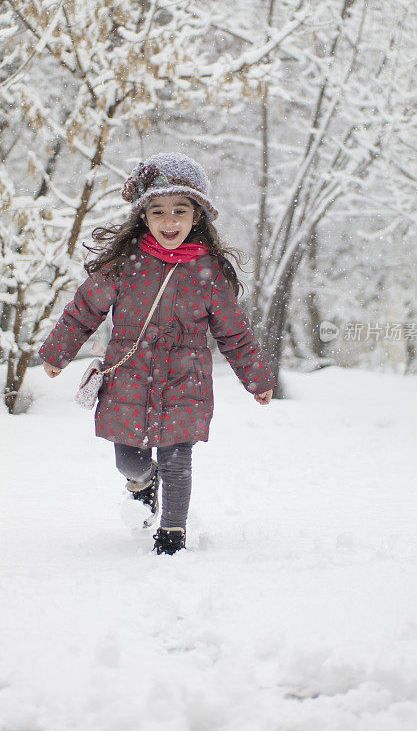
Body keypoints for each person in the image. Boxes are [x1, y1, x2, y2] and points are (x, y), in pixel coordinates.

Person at [39, 152, 274, 555]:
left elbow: (235, 334)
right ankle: (143, 482)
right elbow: (85, 309)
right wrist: (58, 353)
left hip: (186, 381)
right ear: (143, 216)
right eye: (158, 211)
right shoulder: (124, 264)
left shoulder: (209, 273)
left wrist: (258, 378)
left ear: (196, 216)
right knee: (128, 461)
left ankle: (172, 534)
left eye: (180, 211)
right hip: (129, 380)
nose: (170, 222)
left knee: (178, 463)